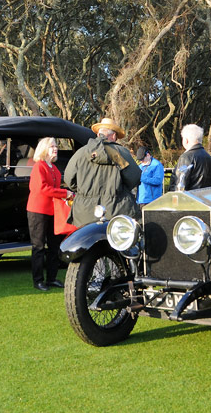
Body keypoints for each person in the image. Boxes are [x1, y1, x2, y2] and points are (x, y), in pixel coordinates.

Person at [64, 117, 141, 227]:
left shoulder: (80, 153)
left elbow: (69, 180)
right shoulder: (121, 153)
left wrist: (85, 191)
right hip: (116, 211)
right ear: (114, 136)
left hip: (84, 213)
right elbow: (134, 178)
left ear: (98, 134)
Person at [26, 137, 72, 291]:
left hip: (52, 211)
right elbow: (43, 189)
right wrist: (65, 193)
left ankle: (51, 278)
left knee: (54, 245)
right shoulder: (39, 167)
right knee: (38, 246)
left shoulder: (53, 167)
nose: (56, 148)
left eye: (56, 146)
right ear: (44, 149)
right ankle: (38, 280)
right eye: (52, 146)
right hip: (38, 211)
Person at [174, 124, 211, 191]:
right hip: (204, 198)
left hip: (189, 199)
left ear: (186, 140)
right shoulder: (208, 157)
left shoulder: (186, 157)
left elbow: (181, 183)